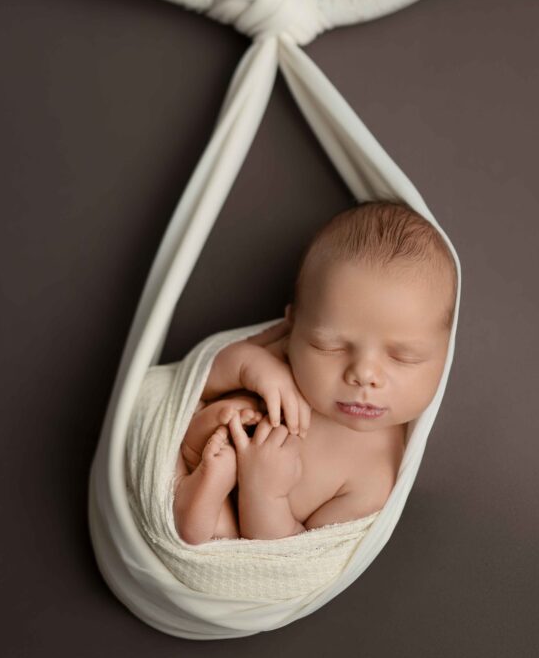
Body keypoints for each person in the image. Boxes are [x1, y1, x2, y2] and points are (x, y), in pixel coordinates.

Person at [172, 199, 458, 545]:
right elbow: (194, 383)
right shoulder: (285, 354)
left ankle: (200, 505)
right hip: (198, 447)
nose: (364, 374)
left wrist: (264, 491)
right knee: (212, 417)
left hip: (244, 523)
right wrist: (250, 366)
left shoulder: (376, 479)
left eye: (403, 357)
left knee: (219, 529)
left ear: (446, 353)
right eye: (330, 347)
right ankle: (191, 474)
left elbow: (292, 551)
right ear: (293, 325)